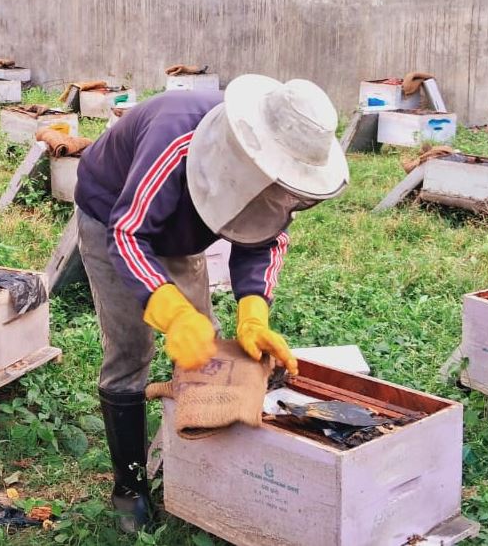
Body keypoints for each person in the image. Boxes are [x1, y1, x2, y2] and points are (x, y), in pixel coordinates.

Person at [73, 74, 350, 532]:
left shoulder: (272, 176)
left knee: (207, 348)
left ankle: (198, 464)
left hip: (178, 232)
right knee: (130, 349)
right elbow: (128, 233)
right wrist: (170, 310)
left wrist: (253, 313)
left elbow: (262, 238)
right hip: (113, 217)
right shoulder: (175, 136)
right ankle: (129, 485)